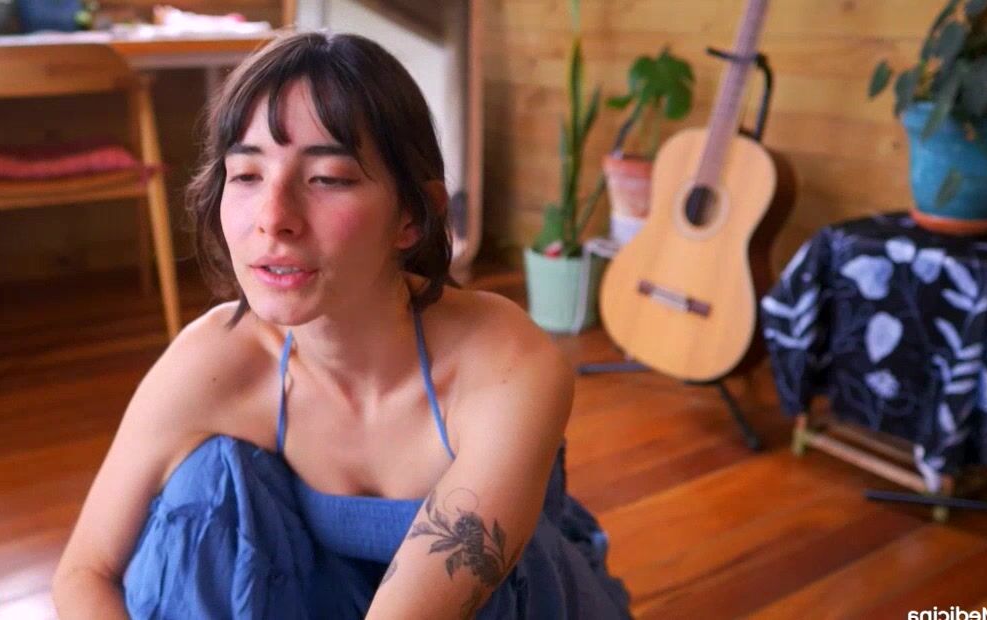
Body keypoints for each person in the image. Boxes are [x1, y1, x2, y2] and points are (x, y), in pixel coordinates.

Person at [52, 31, 631, 619]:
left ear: (412, 217)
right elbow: (85, 572)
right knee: (206, 482)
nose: (273, 219)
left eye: (327, 178)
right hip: (305, 596)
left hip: (501, 606)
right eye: (247, 175)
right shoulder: (216, 361)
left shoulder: (506, 363)